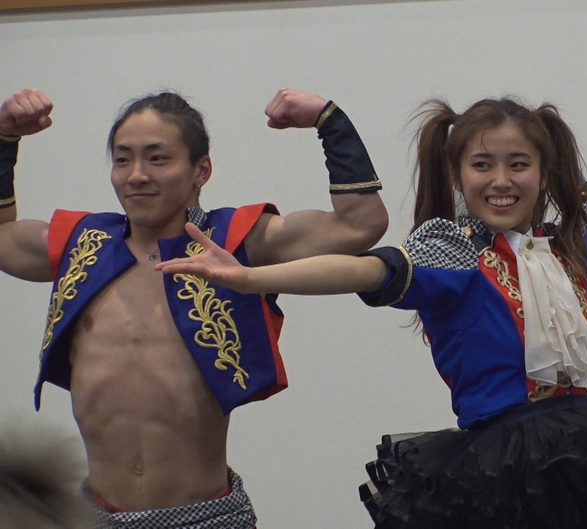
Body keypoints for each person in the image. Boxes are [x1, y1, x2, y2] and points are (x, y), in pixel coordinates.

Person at [157, 1, 587, 526]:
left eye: (518, 164)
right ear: (458, 175)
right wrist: (252, 278)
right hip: (497, 474)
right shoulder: (453, 251)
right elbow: (364, 270)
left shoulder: (572, 245)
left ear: (542, 172)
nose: (502, 180)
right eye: (482, 165)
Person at [0, 87, 388, 527]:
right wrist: (4, 139)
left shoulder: (234, 242)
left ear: (201, 170)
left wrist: (330, 121)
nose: (136, 175)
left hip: (207, 517)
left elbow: (360, 225)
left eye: (157, 158)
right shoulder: (82, 245)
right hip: (96, 516)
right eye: (123, 159)